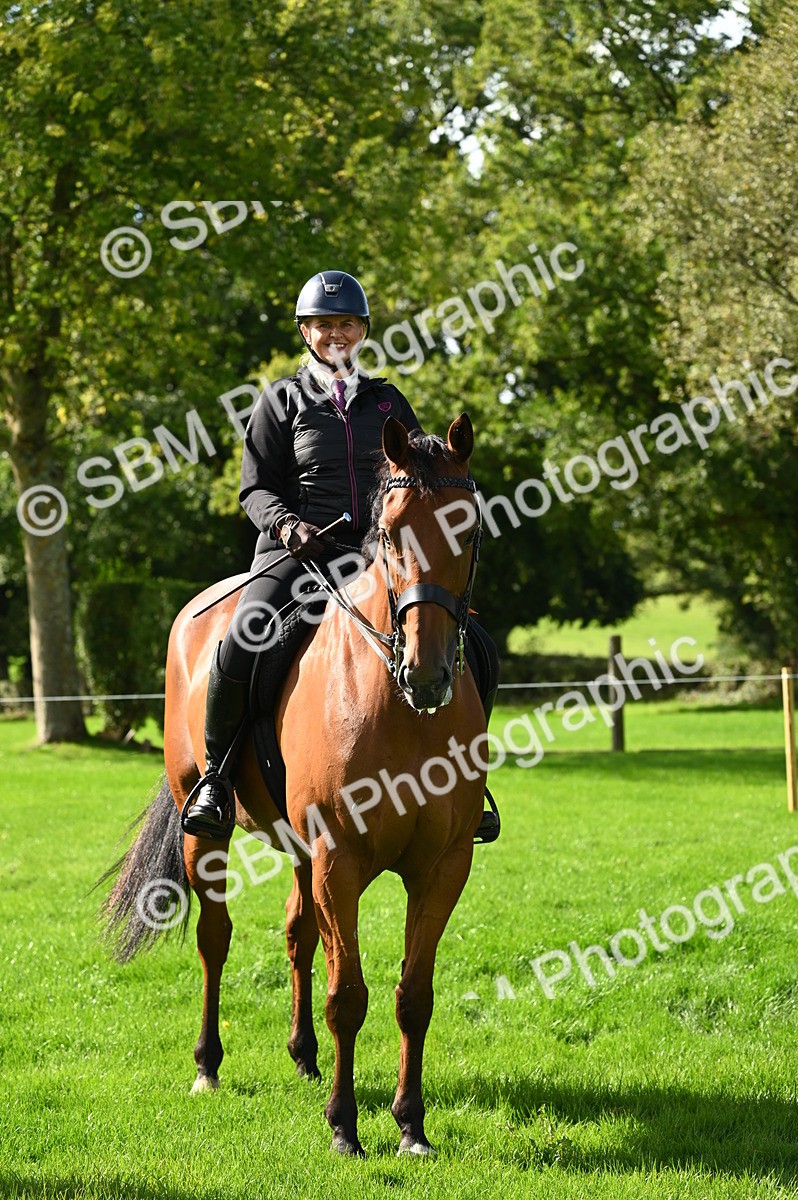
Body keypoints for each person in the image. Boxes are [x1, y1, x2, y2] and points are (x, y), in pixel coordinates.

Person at [182, 270, 499, 843]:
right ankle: (216, 779)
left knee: (472, 643)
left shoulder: (388, 401)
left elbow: (419, 479)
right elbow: (253, 489)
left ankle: (469, 783)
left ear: (363, 331)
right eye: (324, 325)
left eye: (346, 324)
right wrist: (286, 524)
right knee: (241, 641)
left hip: (375, 558)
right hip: (293, 556)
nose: (336, 334)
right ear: (306, 333)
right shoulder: (279, 401)